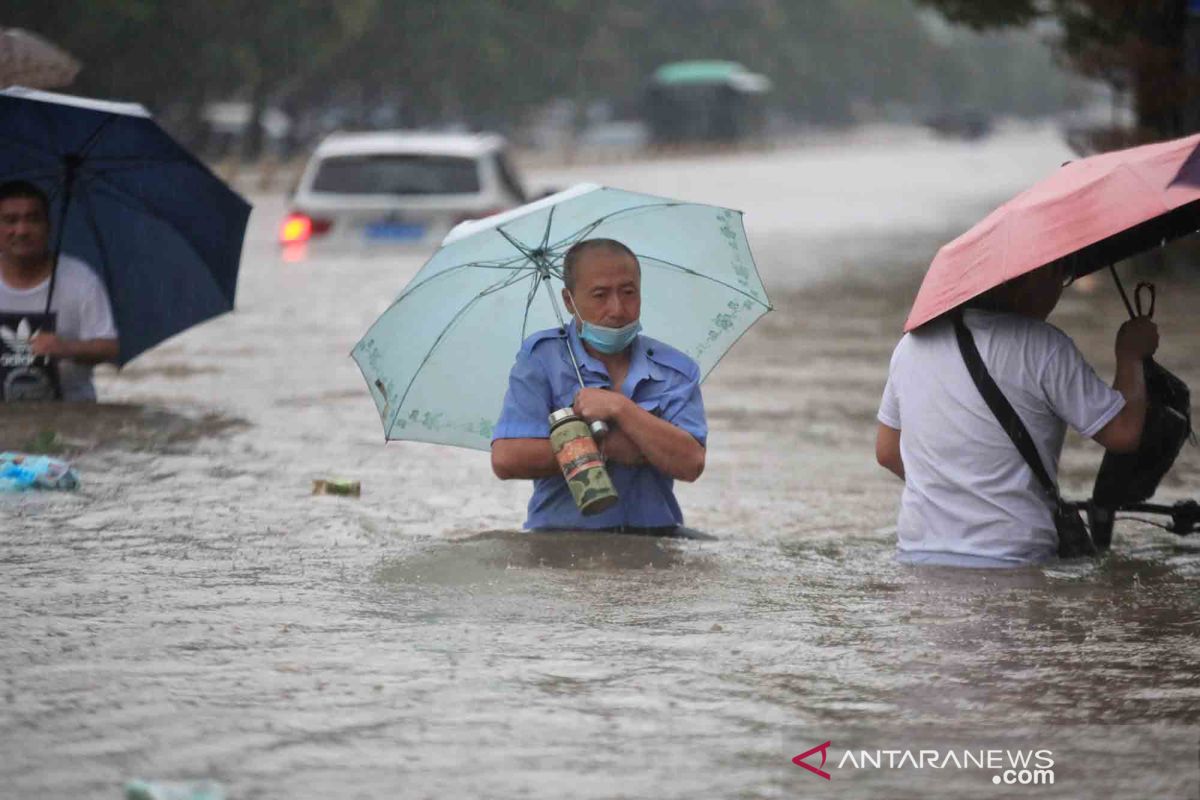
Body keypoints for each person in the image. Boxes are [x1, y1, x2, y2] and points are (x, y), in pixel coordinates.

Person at [875, 261, 1159, 567]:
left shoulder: (911, 345)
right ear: (1027, 279)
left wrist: (957, 489)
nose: (1058, 291)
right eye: (1059, 276)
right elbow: (1123, 432)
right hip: (1012, 559)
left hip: (917, 557)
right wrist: (1131, 356)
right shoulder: (1044, 347)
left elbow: (888, 451)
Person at [491, 238, 707, 533]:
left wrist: (620, 409)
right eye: (600, 295)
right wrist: (608, 447)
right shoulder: (542, 359)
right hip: (561, 541)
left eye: (628, 293)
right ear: (569, 301)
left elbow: (691, 462)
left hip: (656, 540)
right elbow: (507, 458)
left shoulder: (675, 370)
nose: (617, 309)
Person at [0, 180, 118, 402]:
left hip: (70, 413)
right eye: (10, 220)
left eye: (33, 219)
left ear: (48, 226)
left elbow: (109, 347)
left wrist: (66, 347)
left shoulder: (81, 280)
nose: (22, 230)